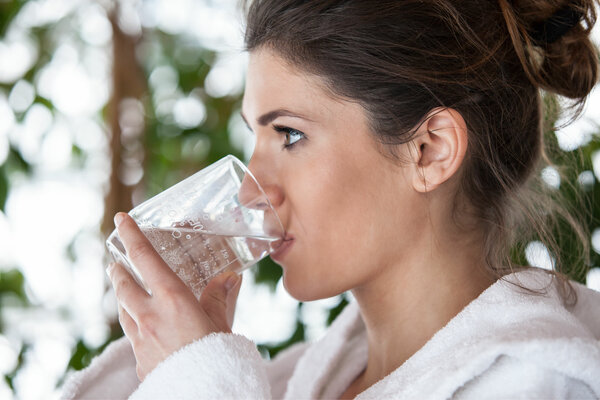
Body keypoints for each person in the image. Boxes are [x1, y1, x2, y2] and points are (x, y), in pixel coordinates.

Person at [62, 0, 600, 399]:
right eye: (256, 136)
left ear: (429, 150)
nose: (252, 189)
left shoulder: (539, 381)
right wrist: (184, 365)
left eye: (290, 135)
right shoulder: (297, 381)